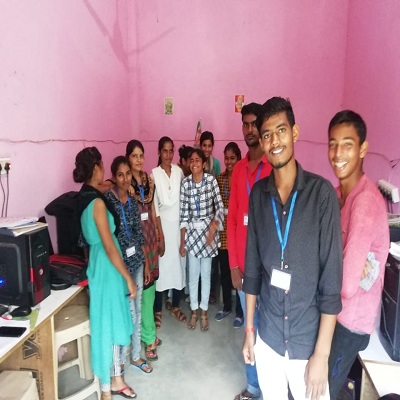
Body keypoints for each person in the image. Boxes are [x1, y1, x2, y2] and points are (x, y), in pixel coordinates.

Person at [242, 97, 343, 400]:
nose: (274, 141)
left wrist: (321, 356)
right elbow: (252, 269)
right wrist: (249, 332)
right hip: (268, 337)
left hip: (307, 343)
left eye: (281, 131)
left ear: (294, 133)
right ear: (261, 142)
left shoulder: (321, 194)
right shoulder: (258, 196)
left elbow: (331, 283)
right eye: (267, 135)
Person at [327, 110, 389, 399]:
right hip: (332, 313)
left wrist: (335, 265)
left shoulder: (365, 201)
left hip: (349, 322)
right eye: (333, 144)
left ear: (363, 149)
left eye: (347, 145)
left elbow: (347, 285)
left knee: (321, 390)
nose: (338, 153)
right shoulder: (337, 194)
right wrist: (340, 262)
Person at [73, 147, 137, 400]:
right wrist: (128, 278)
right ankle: (106, 389)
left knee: (109, 321)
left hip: (98, 264)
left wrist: (108, 183)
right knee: (109, 326)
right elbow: (110, 247)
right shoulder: (98, 204)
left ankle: (116, 380)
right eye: (101, 165)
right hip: (108, 267)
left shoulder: (85, 196)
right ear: (97, 168)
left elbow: (102, 187)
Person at [227, 102, 272, 400]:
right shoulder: (239, 170)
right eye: (245, 124)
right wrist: (233, 265)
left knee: (272, 332)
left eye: (254, 123)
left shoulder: (274, 166)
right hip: (244, 270)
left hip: (269, 270)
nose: (249, 129)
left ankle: (273, 389)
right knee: (250, 329)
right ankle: (254, 388)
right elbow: (232, 218)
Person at [104, 156, 153, 374]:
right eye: (120, 175)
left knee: (138, 309)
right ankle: (121, 358)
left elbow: (138, 235)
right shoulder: (107, 202)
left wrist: (147, 263)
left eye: (127, 174)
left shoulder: (133, 202)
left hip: (137, 263)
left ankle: (135, 356)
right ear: (114, 177)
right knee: (128, 314)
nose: (124, 179)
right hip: (120, 268)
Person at [179, 148, 224, 331]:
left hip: (208, 234)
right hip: (192, 234)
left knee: (206, 275)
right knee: (193, 275)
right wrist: (182, 242)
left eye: (198, 160)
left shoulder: (211, 181)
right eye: (192, 160)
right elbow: (183, 214)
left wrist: (213, 228)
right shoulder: (185, 183)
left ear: (204, 164)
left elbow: (219, 207)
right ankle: (194, 311)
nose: (194, 163)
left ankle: (204, 312)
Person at [126, 140, 163, 362]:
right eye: (134, 156)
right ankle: (148, 339)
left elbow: (153, 209)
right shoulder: (125, 184)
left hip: (151, 241)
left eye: (141, 155)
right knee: (143, 293)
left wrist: (160, 235)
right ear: (128, 158)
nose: (139, 160)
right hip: (137, 243)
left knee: (150, 290)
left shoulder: (148, 181)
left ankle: (148, 331)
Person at [152, 136, 187, 328]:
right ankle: (157, 309)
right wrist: (160, 234)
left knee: (178, 267)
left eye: (170, 150)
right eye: (164, 151)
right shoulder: (154, 174)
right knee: (162, 268)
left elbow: (183, 200)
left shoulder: (178, 172)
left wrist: (183, 234)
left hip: (178, 226)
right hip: (163, 226)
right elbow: (154, 208)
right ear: (159, 152)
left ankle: (175, 305)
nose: (168, 154)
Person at [215, 142, 243, 323]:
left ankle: (240, 312)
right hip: (223, 233)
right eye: (226, 158)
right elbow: (217, 207)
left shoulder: (242, 177)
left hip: (239, 234)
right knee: (224, 273)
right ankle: (226, 307)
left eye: (232, 158)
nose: (229, 161)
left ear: (238, 158)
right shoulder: (220, 179)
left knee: (240, 274)